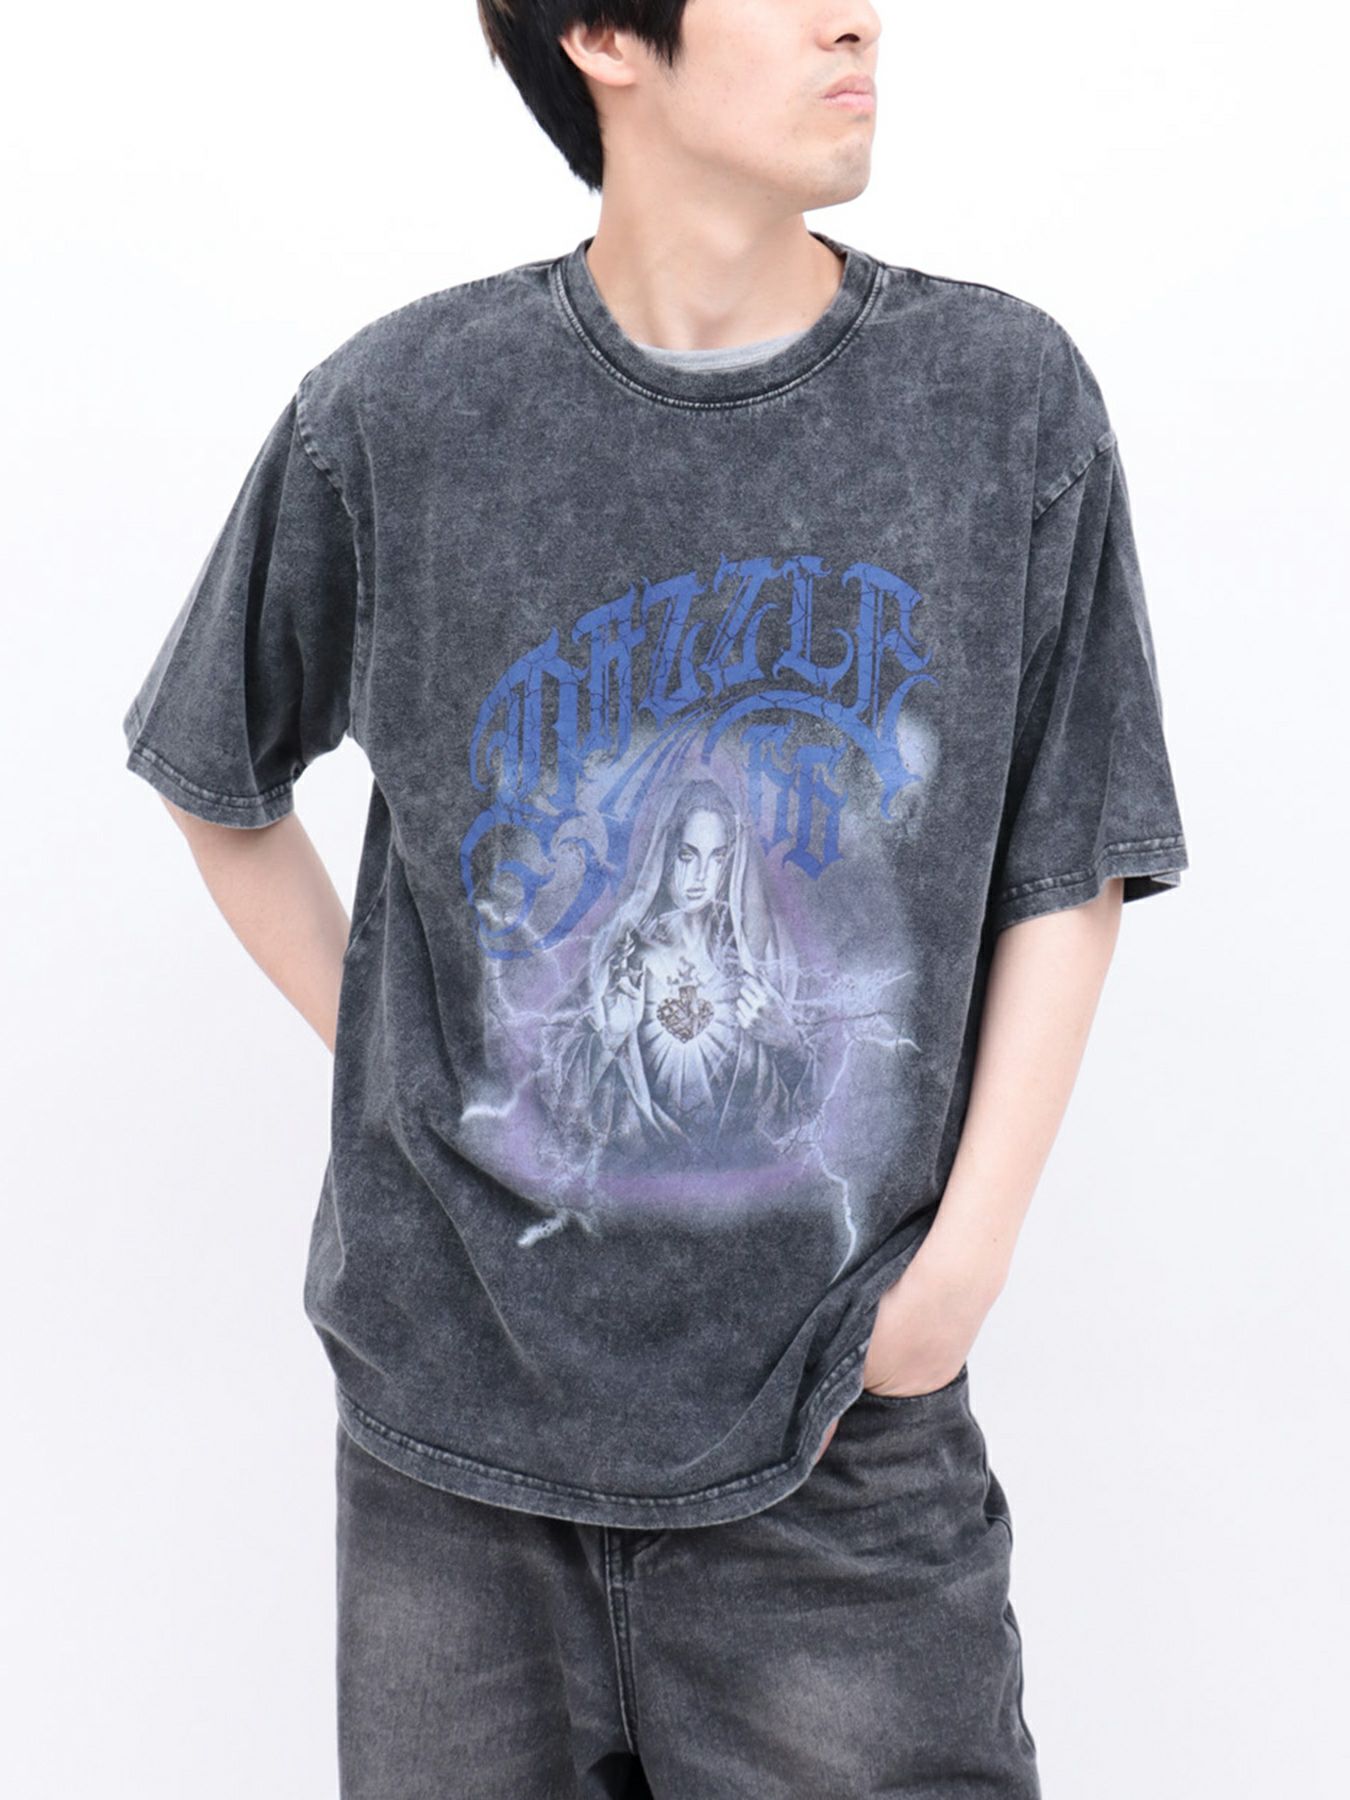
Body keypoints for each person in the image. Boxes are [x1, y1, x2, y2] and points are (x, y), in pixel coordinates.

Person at [120, 3, 1190, 1793]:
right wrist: (430, 1064)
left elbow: (1070, 853)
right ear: (607, 35)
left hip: (839, 1439)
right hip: (450, 1451)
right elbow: (214, 773)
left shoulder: (997, 401)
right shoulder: (400, 414)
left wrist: (956, 1278)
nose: (858, 18)